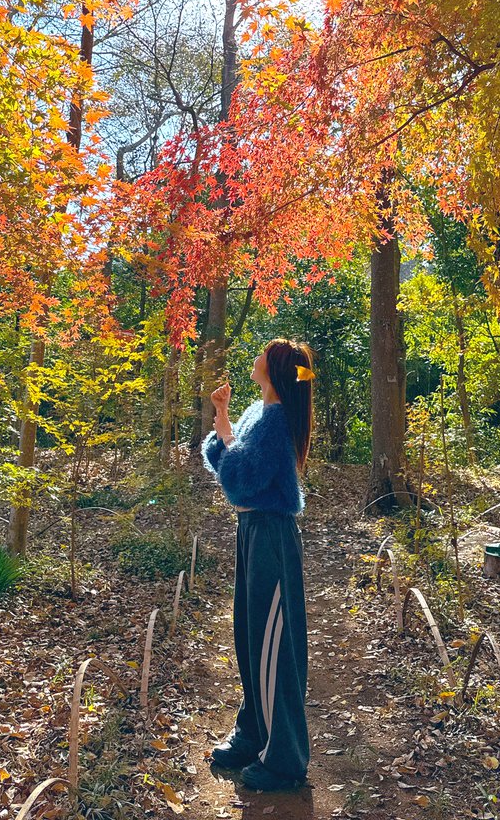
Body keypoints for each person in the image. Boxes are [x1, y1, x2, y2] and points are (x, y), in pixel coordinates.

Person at [200, 338, 314, 793]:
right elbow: (220, 461)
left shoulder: (277, 419)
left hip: (271, 534)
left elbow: (242, 478)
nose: (255, 357)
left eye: (263, 353)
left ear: (275, 367)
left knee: (274, 645)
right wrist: (224, 419)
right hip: (250, 531)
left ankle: (285, 760)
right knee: (250, 637)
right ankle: (253, 734)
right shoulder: (257, 412)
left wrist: (227, 437)